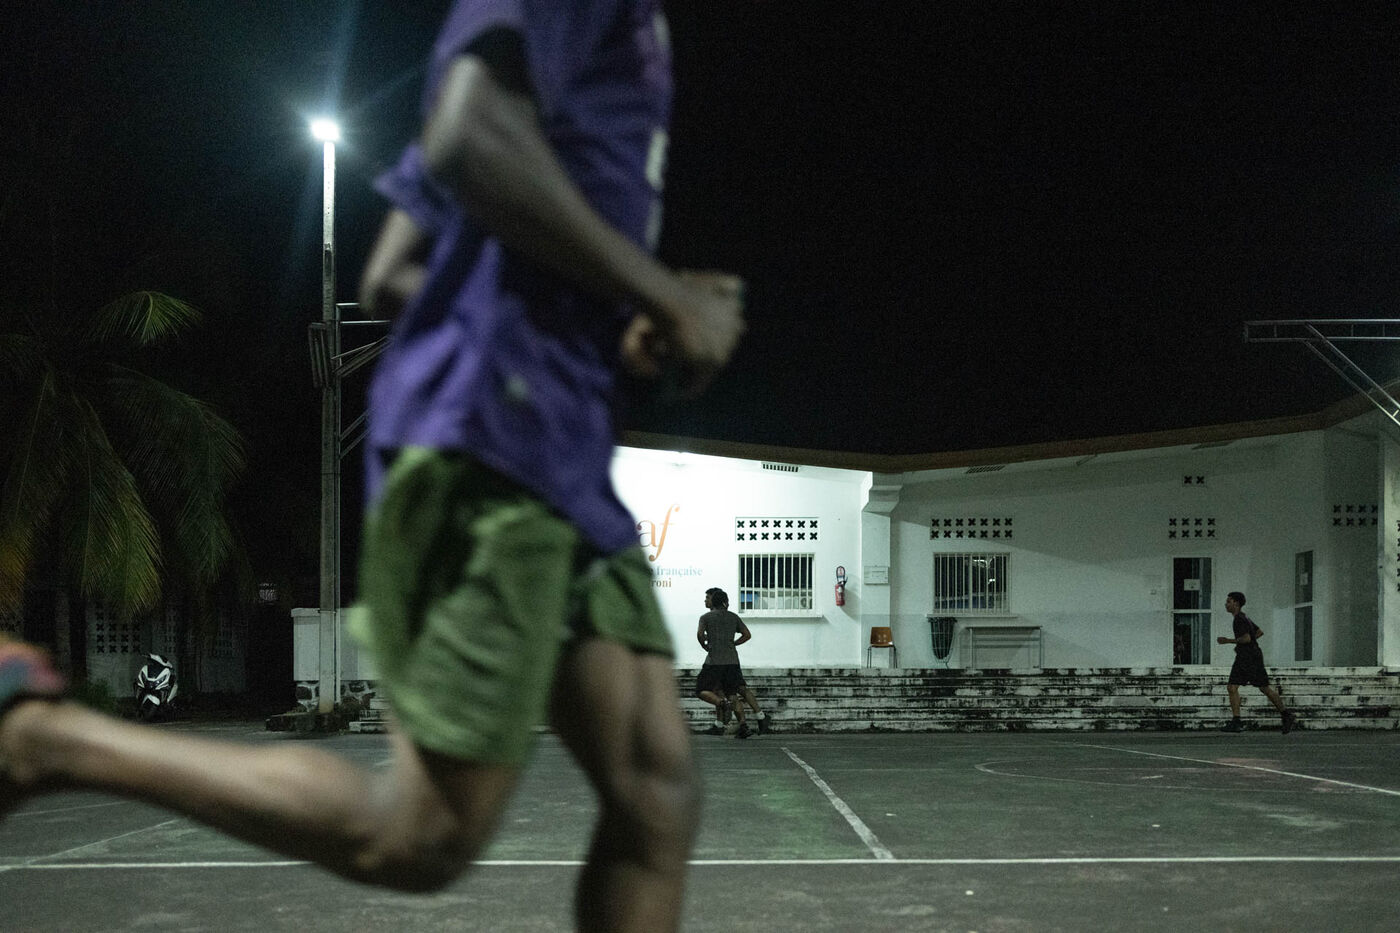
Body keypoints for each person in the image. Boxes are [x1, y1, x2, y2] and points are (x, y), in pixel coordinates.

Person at [0, 3, 744, 931]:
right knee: (423, 832)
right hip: (491, 436)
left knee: (655, 793)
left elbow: (393, 273)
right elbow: (472, 138)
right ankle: (44, 739)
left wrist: (609, 322)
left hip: (558, 443)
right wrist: (666, 295)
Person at [1217, 591, 1297, 734]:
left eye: (1229, 601)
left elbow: (1247, 638)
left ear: (1236, 603)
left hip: (1246, 658)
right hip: (1253, 656)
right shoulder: (1244, 617)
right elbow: (1259, 632)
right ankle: (1286, 715)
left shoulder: (1239, 619)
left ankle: (1237, 722)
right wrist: (1247, 642)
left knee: (1233, 687)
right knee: (1262, 687)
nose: (1226, 604)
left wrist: (1228, 641)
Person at [694, 588, 770, 739]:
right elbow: (747, 635)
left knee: (701, 689)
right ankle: (743, 725)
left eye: (707, 598)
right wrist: (734, 643)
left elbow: (700, 634)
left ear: (713, 601)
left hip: (714, 661)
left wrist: (705, 645)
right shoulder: (733, 617)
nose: (705, 600)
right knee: (732, 693)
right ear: (725, 602)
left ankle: (722, 704)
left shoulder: (705, 618)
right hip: (732, 662)